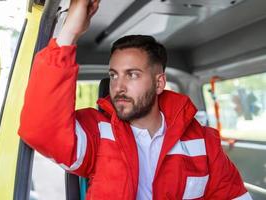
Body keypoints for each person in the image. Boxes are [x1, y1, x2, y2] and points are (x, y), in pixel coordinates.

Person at [18, 0, 252, 199]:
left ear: (159, 83)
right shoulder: (97, 133)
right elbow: (40, 128)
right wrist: (69, 32)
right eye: (113, 75)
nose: (118, 86)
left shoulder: (203, 142)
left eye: (132, 75)